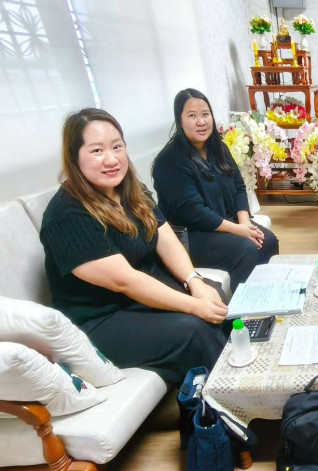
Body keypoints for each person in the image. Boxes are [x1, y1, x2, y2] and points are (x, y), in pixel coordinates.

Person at [39, 108, 229, 388]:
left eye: (117, 147)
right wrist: (194, 305)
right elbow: (125, 281)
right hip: (101, 320)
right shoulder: (66, 215)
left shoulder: (130, 189)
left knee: (214, 296)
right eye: (97, 151)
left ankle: (234, 379)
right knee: (193, 329)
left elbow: (165, 237)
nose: (111, 159)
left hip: (140, 296)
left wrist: (194, 281)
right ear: (74, 156)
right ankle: (221, 402)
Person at [152, 88, 278, 290]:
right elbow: (194, 212)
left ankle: (268, 296)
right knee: (247, 249)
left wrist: (245, 223)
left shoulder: (219, 148)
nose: (201, 121)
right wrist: (238, 230)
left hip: (226, 222)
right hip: (192, 235)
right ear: (179, 120)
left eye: (205, 114)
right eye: (192, 116)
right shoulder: (170, 161)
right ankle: (241, 308)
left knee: (268, 241)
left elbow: (239, 186)